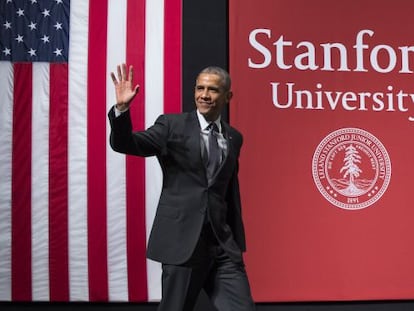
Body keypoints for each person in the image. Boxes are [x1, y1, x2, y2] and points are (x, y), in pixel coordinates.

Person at [108, 63, 255, 311]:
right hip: (183, 243)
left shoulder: (234, 137)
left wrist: (235, 239)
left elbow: (228, 191)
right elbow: (128, 144)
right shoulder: (171, 125)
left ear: (228, 96)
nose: (205, 95)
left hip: (222, 245)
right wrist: (122, 110)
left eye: (213, 90)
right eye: (200, 88)